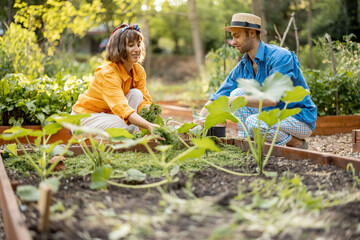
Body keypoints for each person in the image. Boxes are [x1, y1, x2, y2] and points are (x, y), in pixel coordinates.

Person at [198, 13, 317, 149]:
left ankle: (297, 143)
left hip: (298, 117)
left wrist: (234, 100)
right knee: (237, 93)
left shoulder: (280, 57)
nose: (233, 42)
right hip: (270, 117)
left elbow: (271, 99)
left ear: (252, 33)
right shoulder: (244, 65)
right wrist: (198, 122)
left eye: (237, 36)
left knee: (252, 120)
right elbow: (218, 97)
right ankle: (249, 147)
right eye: (232, 37)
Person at [72, 23, 157, 134]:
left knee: (136, 94)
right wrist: (148, 125)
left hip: (109, 114)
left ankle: (132, 134)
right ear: (119, 48)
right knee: (124, 125)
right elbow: (120, 106)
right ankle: (126, 136)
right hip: (87, 117)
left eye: (139, 44)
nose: (137, 49)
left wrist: (148, 111)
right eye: (131, 45)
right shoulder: (109, 74)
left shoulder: (138, 71)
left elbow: (143, 99)